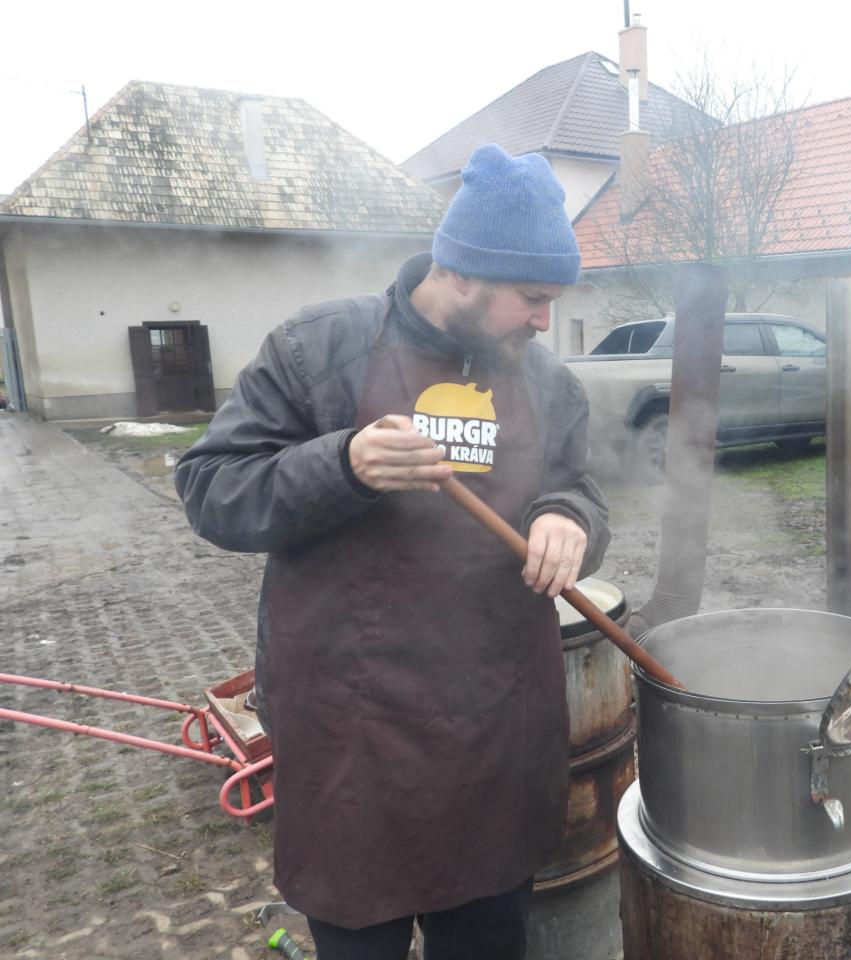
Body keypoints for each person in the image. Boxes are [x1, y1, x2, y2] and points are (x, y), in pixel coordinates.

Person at [175, 144, 610, 960]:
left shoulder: (548, 384)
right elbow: (209, 490)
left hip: (494, 728)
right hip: (351, 733)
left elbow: (578, 486)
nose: (544, 321)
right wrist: (342, 464)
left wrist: (567, 518)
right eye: (533, 299)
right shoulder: (317, 350)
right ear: (463, 273)